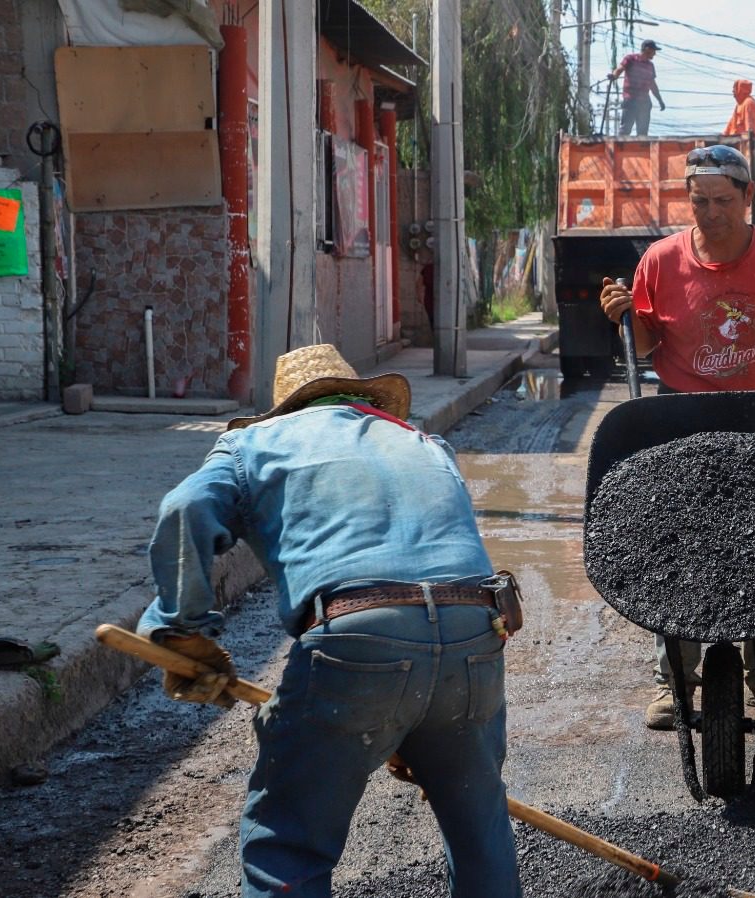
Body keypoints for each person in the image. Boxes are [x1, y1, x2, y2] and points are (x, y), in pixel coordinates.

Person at [137, 344, 521, 898]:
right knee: (478, 822)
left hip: (358, 637)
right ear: (359, 398)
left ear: (285, 410)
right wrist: (421, 724)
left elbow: (185, 508)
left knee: (287, 844)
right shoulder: (423, 442)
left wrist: (180, 627)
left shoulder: (250, 444)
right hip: (477, 631)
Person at [596, 144, 755, 729]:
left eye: (723, 201)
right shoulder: (660, 259)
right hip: (680, 417)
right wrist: (626, 316)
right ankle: (673, 680)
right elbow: (647, 345)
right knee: (675, 551)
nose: (710, 213)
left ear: (748, 197)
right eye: (699, 201)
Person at [609, 40, 665, 137]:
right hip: (631, 99)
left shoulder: (650, 65)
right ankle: (620, 149)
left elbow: (652, 85)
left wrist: (660, 100)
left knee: (643, 132)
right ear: (647, 49)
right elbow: (619, 69)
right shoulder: (630, 59)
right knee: (625, 129)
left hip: (644, 102)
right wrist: (613, 76)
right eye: (653, 51)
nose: (655, 54)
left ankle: (642, 150)